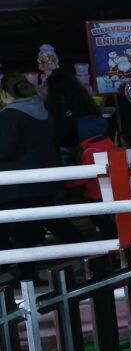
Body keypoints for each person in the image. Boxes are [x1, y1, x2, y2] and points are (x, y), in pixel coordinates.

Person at [0, 75, 62, 233]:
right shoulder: (43, 110)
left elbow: (5, 150)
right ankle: (86, 251)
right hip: (46, 177)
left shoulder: (8, 115)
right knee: (51, 220)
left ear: (4, 93)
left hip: (17, 184)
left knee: (19, 229)